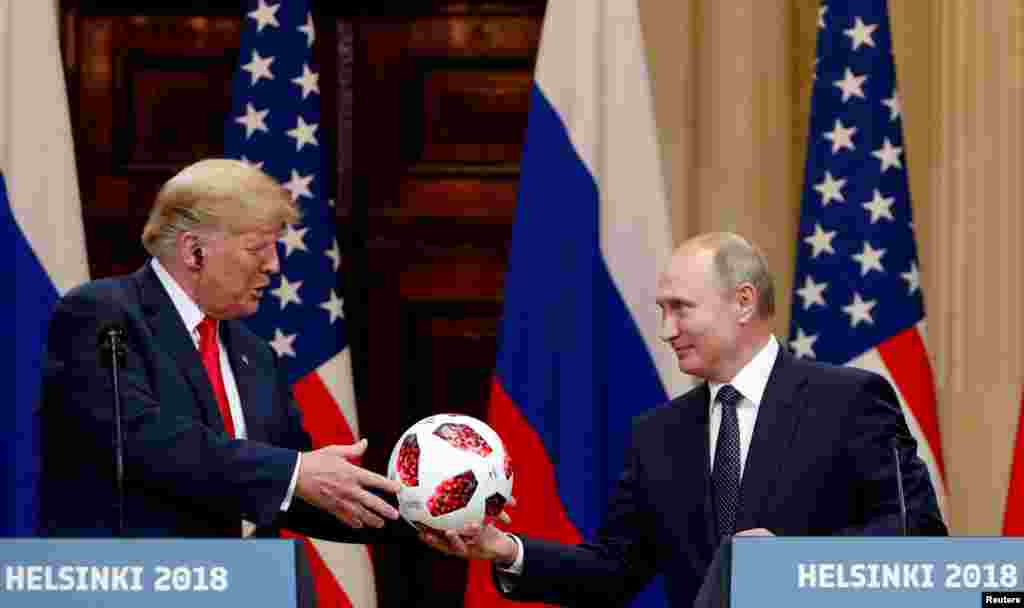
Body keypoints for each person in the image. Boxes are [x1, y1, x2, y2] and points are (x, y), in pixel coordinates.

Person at [423, 232, 947, 607]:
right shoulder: (658, 436)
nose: (667, 330)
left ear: (743, 303)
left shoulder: (849, 400)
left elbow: (918, 537)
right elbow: (614, 571)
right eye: (661, 310)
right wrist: (503, 549)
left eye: (681, 308)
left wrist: (793, 566)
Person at [38, 158, 409, 541]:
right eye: (258, 248)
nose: (274, 265)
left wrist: (423, 523)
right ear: (194, 251)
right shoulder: (103, 314)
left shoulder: (256, 354)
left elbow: (297, 491)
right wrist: (294, 472)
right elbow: (142, 439)